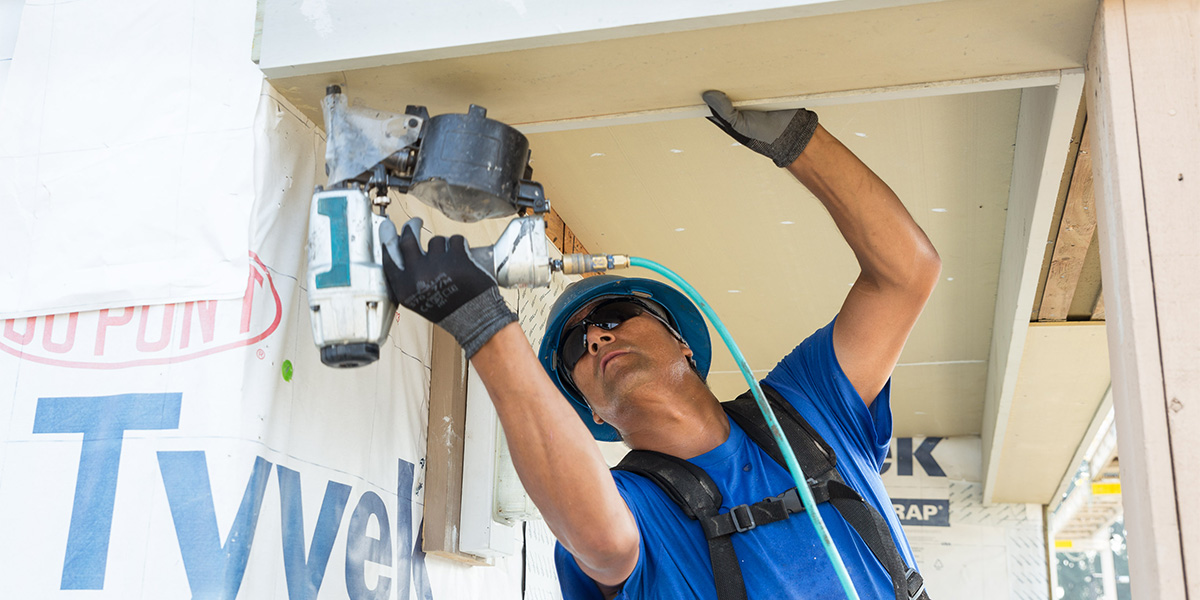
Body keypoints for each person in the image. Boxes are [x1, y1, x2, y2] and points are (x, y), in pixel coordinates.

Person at [380, 90, 941, 599]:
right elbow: (603, 544)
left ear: (684, 343)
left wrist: (798, 141)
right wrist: (482, 327)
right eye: (575, 347)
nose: (596, 336)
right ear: (592, 411)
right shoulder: (633, 504)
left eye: (617, 316)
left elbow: (906, 274)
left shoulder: (809, 412)